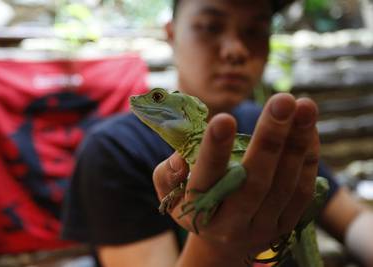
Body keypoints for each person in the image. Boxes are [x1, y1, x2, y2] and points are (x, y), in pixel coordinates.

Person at [62, 0, 373, 266]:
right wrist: (216, 248)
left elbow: (353, 219)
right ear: (171, 35)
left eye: (255, 30)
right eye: (211, 26)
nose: (236, 51)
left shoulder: (266, 129)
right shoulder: (114, 151)